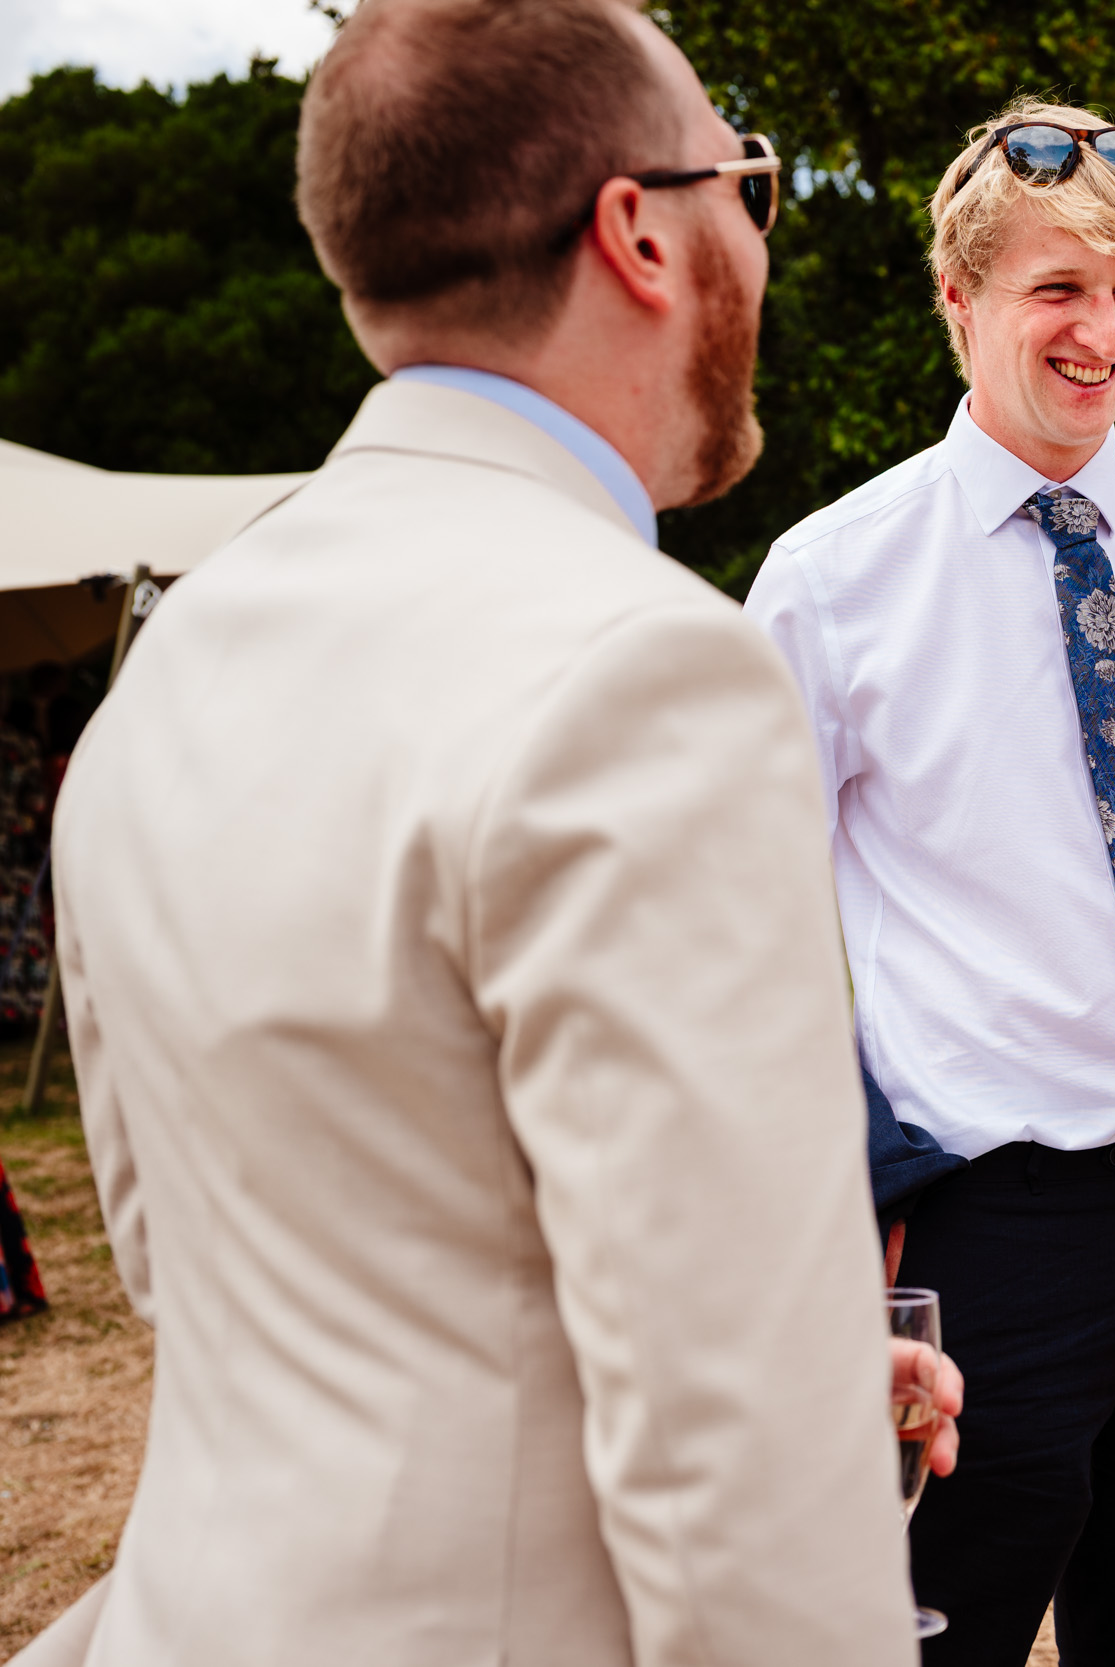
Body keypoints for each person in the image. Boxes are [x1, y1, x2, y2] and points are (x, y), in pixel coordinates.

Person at [18, 4, 944, 1663]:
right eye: (750, 185)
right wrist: (774, 1395)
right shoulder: (649, 669)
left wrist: (789, 1358)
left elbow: (213, 1270)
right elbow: (738, 1484)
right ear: (640, 233)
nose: (759, 238)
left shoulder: (174, 661)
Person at [744, 98, 1115, 1664]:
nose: (1104, 333)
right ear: (959, 301)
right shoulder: (829, 581)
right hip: (980, 1226)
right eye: (1060, 288)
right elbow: (740, 940)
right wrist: (844, 1218)